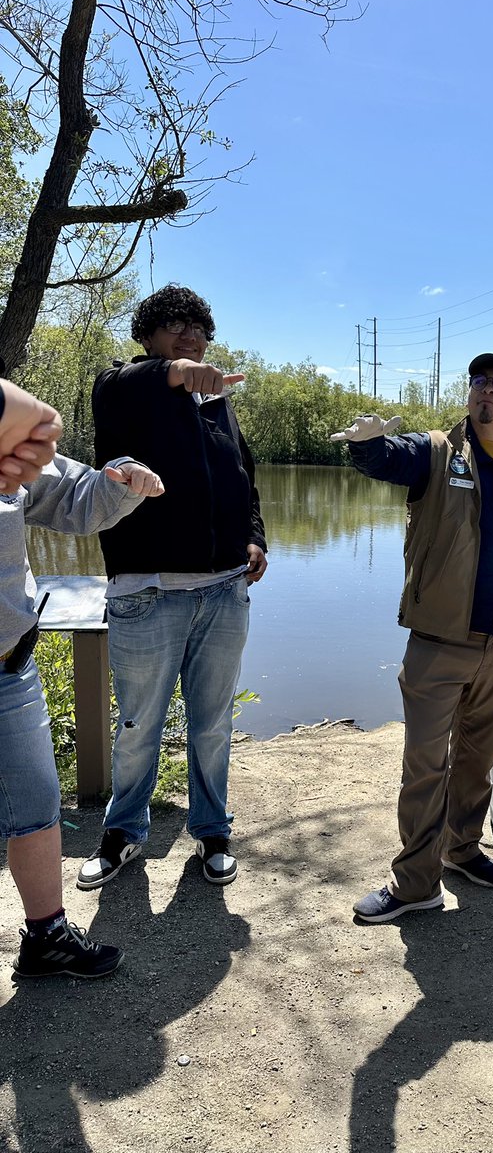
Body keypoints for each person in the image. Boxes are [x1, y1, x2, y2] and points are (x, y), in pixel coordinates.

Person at [331, 353, 493, 923]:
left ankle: (461, 850)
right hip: (441, 639)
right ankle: (416, 882)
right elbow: (391, 460)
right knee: (425, 765)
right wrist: (368, 445)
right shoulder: (439, 452)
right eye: (478, 382)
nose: (486, 391)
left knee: (478, 759)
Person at [76, 285, 268, 892]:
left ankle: (212, 832)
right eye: (175, 326)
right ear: (150, 336)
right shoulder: (123, 387)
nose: (190, 336)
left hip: (223, 590)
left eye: (199, 328)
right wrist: (178, 373)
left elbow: (245, 473)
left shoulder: (218, 406)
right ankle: (123, 835)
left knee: (212, 724)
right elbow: (121, 389)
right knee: (138, 725)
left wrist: (255, 538)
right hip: (148, 589)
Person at [1, 378, 164, 978]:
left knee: (36, 807)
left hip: (8, 667)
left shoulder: (10, 447)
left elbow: (75, 496)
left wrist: (118, 475)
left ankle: (46, 937)